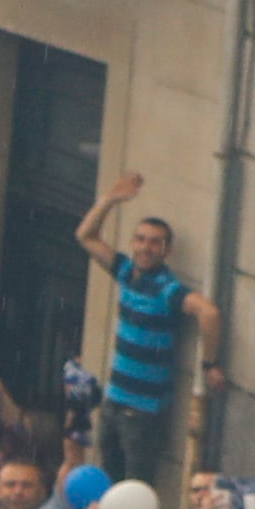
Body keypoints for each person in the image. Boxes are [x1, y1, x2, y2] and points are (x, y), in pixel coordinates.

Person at [78, 169, 197, 491]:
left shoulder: (167, 289)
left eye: (155, 242)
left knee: (136, 492)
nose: (146, 247)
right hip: (114, 403)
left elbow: (208, 312)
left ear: (166, 250)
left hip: (143, 414)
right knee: (109, 486)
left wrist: (211, 364)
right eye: (140, 239)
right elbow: (86, 236)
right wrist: (111, 199)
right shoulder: (127, 271)